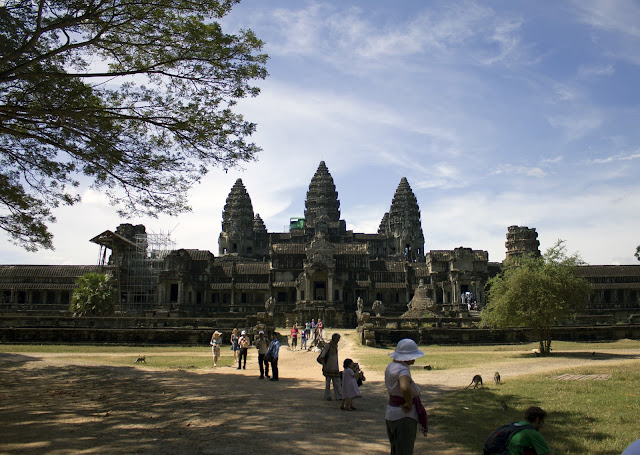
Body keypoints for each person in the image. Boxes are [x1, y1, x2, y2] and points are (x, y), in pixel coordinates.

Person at [385, 338, 428, 455]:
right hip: (404, 416)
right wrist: (409, 403)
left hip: (391, 412)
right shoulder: (403, 370)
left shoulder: (391, 366)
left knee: (395, 449)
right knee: (404, 450)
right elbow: (404, 387)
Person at [319, 333, 342, 401]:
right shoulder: (328, 346)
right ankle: (328, 396)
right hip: (328, 367)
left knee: (337, 382)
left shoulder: (335, 346)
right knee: (328, 383)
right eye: (337, 339)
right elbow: (322, 356)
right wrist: (324, 365)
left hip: (335, 367)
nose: (338, 341)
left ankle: (339, 396)